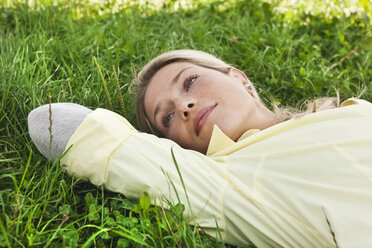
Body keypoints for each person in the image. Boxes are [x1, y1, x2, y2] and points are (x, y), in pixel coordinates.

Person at [28, 50, 372, 247]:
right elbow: (53, 124)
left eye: (190, 81)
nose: (183, 106)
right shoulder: (225, 183)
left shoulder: (356, 108)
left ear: (240, 78)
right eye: (165, 119)